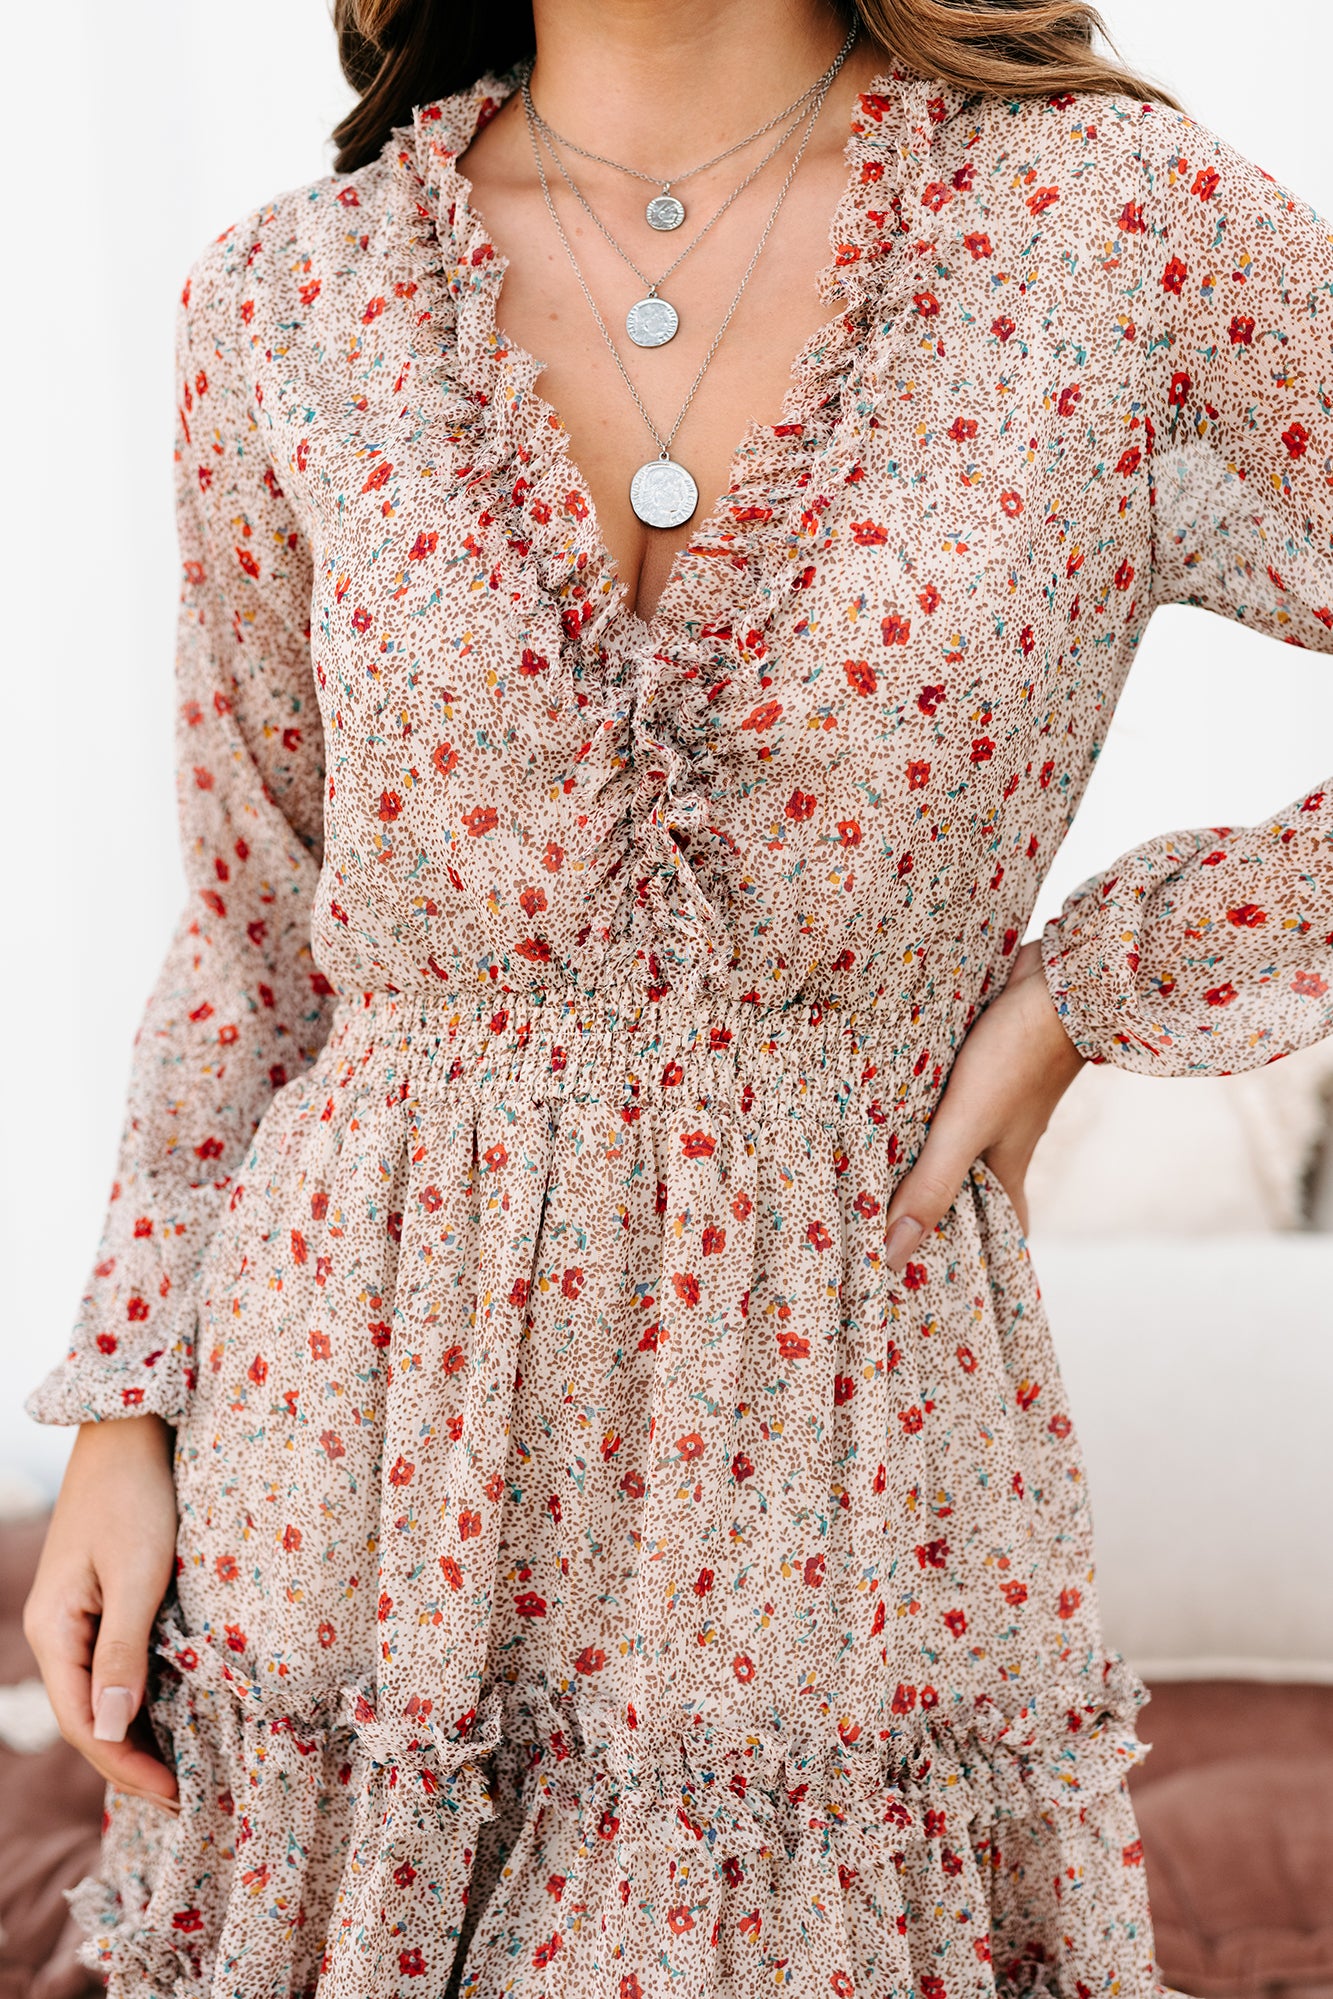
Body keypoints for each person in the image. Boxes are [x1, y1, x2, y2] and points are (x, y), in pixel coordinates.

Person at [23, 0, 1332, 1994]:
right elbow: (250, 921)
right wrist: (128, 1409)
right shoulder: (293, 297)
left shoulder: (1112, 230)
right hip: (347, 1437)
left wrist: (1105, 978)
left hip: (838, 1433)